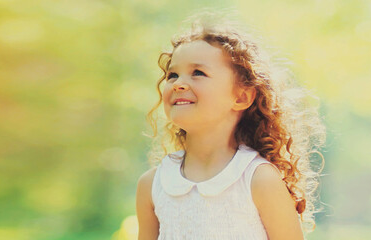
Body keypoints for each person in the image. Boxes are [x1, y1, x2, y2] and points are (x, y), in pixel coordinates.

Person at [135, 12, 326, 240]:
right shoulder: (153, 184)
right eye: (172, 75)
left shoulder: (258, 179)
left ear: (241, 97)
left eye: (198, 73)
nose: (178, 84)